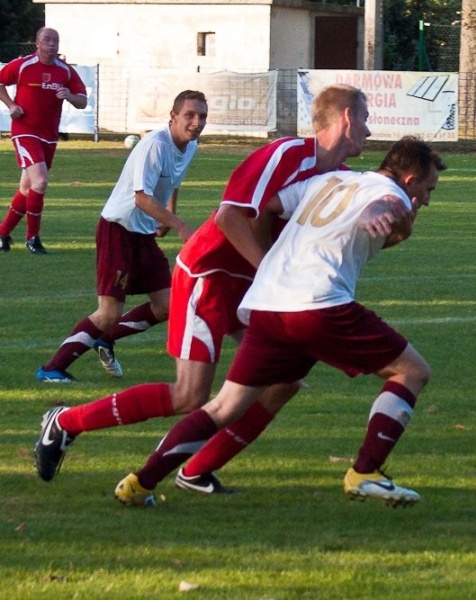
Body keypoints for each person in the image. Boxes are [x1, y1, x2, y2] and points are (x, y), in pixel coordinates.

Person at [33, 85, 370, 490]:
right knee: (190, 395)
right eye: (365, 120)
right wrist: (269, 273)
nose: (369, 131)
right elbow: (230, 218)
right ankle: (65, 421)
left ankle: (196, 471)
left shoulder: (340, 177)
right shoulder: (287, 154)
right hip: (208, 277)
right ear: (347, 118)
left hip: (250, 290)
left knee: (284, 381)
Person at [112, 136, 445, 508]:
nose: (428, 200)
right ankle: (365, 472)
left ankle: (139, 483)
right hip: (319, 304)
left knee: (224, 407)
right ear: (411, 179)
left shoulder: (328, 180)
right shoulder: (393, 195)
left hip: (268, 303)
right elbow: (379, 206)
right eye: (428, 189)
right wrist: (379, 214)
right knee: (412, 371)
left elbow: (268, 206)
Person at [33, 90, 208, 384]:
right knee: (109, 311)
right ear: (173, 117)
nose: (196, 122)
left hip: (142, 234)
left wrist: (167, 213)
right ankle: (52, 368)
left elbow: (172, 180)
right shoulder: (154, 145)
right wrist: (179, 225)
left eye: (202, 116)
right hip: (118, 229)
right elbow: (141, 198)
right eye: (189, 115)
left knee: (169, 304)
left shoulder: (191, 146)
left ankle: (106, 340)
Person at [0, 27, 88, 255]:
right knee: (40, 182)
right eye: (46, 40)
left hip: (49, 136)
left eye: (55, 40)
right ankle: (33, 239)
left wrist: (70, 96)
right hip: (25, 130)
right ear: (37, 43)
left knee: (27, 189)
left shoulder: (65, 71)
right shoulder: (22, 65)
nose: (51, 44)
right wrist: (11, 105)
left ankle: (2, 234)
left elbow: (82, 101)